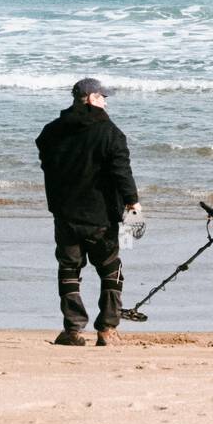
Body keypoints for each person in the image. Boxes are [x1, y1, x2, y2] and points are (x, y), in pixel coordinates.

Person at [35, 77, 141, 346]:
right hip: (100, 216)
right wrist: (133, 203)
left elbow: (45, 157)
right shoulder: (110, 132)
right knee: (111, 269)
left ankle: (72, 330)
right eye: (103, 97)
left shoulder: (52, 131)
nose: (106, 101)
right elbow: (121, 172)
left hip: (65, 213)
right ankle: (107, 329)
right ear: (93, 99)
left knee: (69, 269)